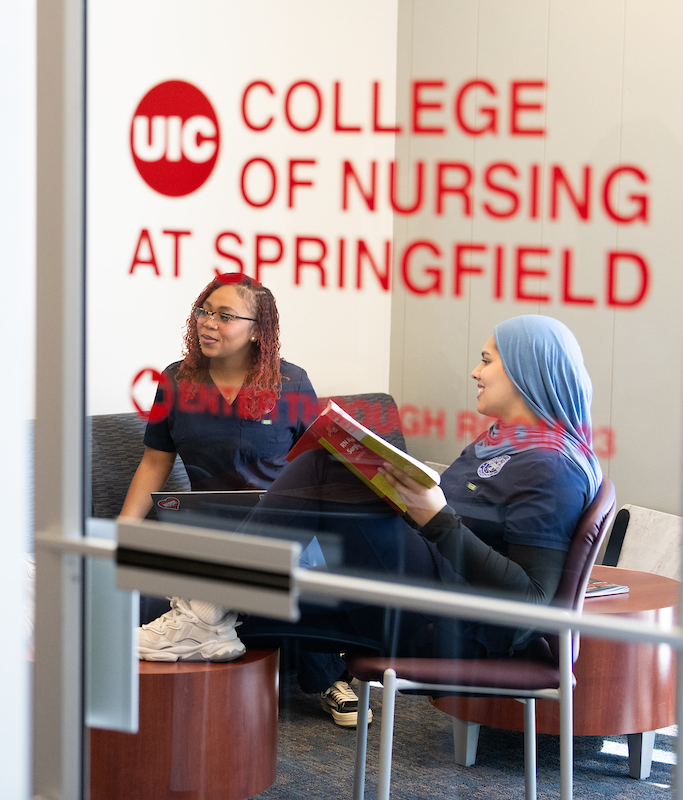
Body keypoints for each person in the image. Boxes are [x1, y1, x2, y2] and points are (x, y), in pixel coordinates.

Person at [153, 315, 602, 727]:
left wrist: (437, 519)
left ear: (526, 372)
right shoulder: (501, 442)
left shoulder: (550, 466)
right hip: (424, 595)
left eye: (486, 361)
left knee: (322, 469)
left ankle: (209, 601)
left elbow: (531, 606)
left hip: (457, 628)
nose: (475, 372)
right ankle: (205, 610)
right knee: (202, 609)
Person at [120, 273, 318, 663]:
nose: (208, 322)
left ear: (257, 331)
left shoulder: (291, 382)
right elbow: (155, 461)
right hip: (207, 529)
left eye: (225, 316)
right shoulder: (176, 380)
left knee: (286, 583)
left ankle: (326, 678)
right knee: (134, 590)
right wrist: (123, 531)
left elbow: (319, 466)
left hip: (278, 529)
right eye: (204, 311)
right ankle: (215, 623)